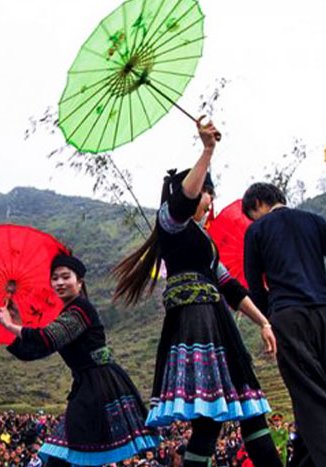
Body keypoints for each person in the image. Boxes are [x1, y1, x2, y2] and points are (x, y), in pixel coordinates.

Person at [112, 119, 282, 467]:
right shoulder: (170, 223)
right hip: (196, 326)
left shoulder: (205, 244)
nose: (209, 200)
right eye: (208, 193)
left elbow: (230, 287)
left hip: (219, 326)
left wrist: (264, 322)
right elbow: (182, 201)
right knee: (210, 420)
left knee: (241, 419)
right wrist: (206, 151)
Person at [0, 252, 159, 466]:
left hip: (98, 386)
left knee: (70, 454)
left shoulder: (81, 309)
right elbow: (35, 351)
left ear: (79, 282)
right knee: (69, 455)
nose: (59, 283)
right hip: (87, 387)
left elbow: (48, 337)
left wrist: (11, 325)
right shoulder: (68, 314)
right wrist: (17, 322)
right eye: (55, 278)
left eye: (66, 277)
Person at [242, 182, 326, 466]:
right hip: (323, 311)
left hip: (288, 318)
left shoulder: (257, 231)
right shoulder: (314, 221)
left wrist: (270, 320)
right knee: (312, 396)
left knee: (311, 397)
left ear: (257, 205)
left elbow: (255, 287)